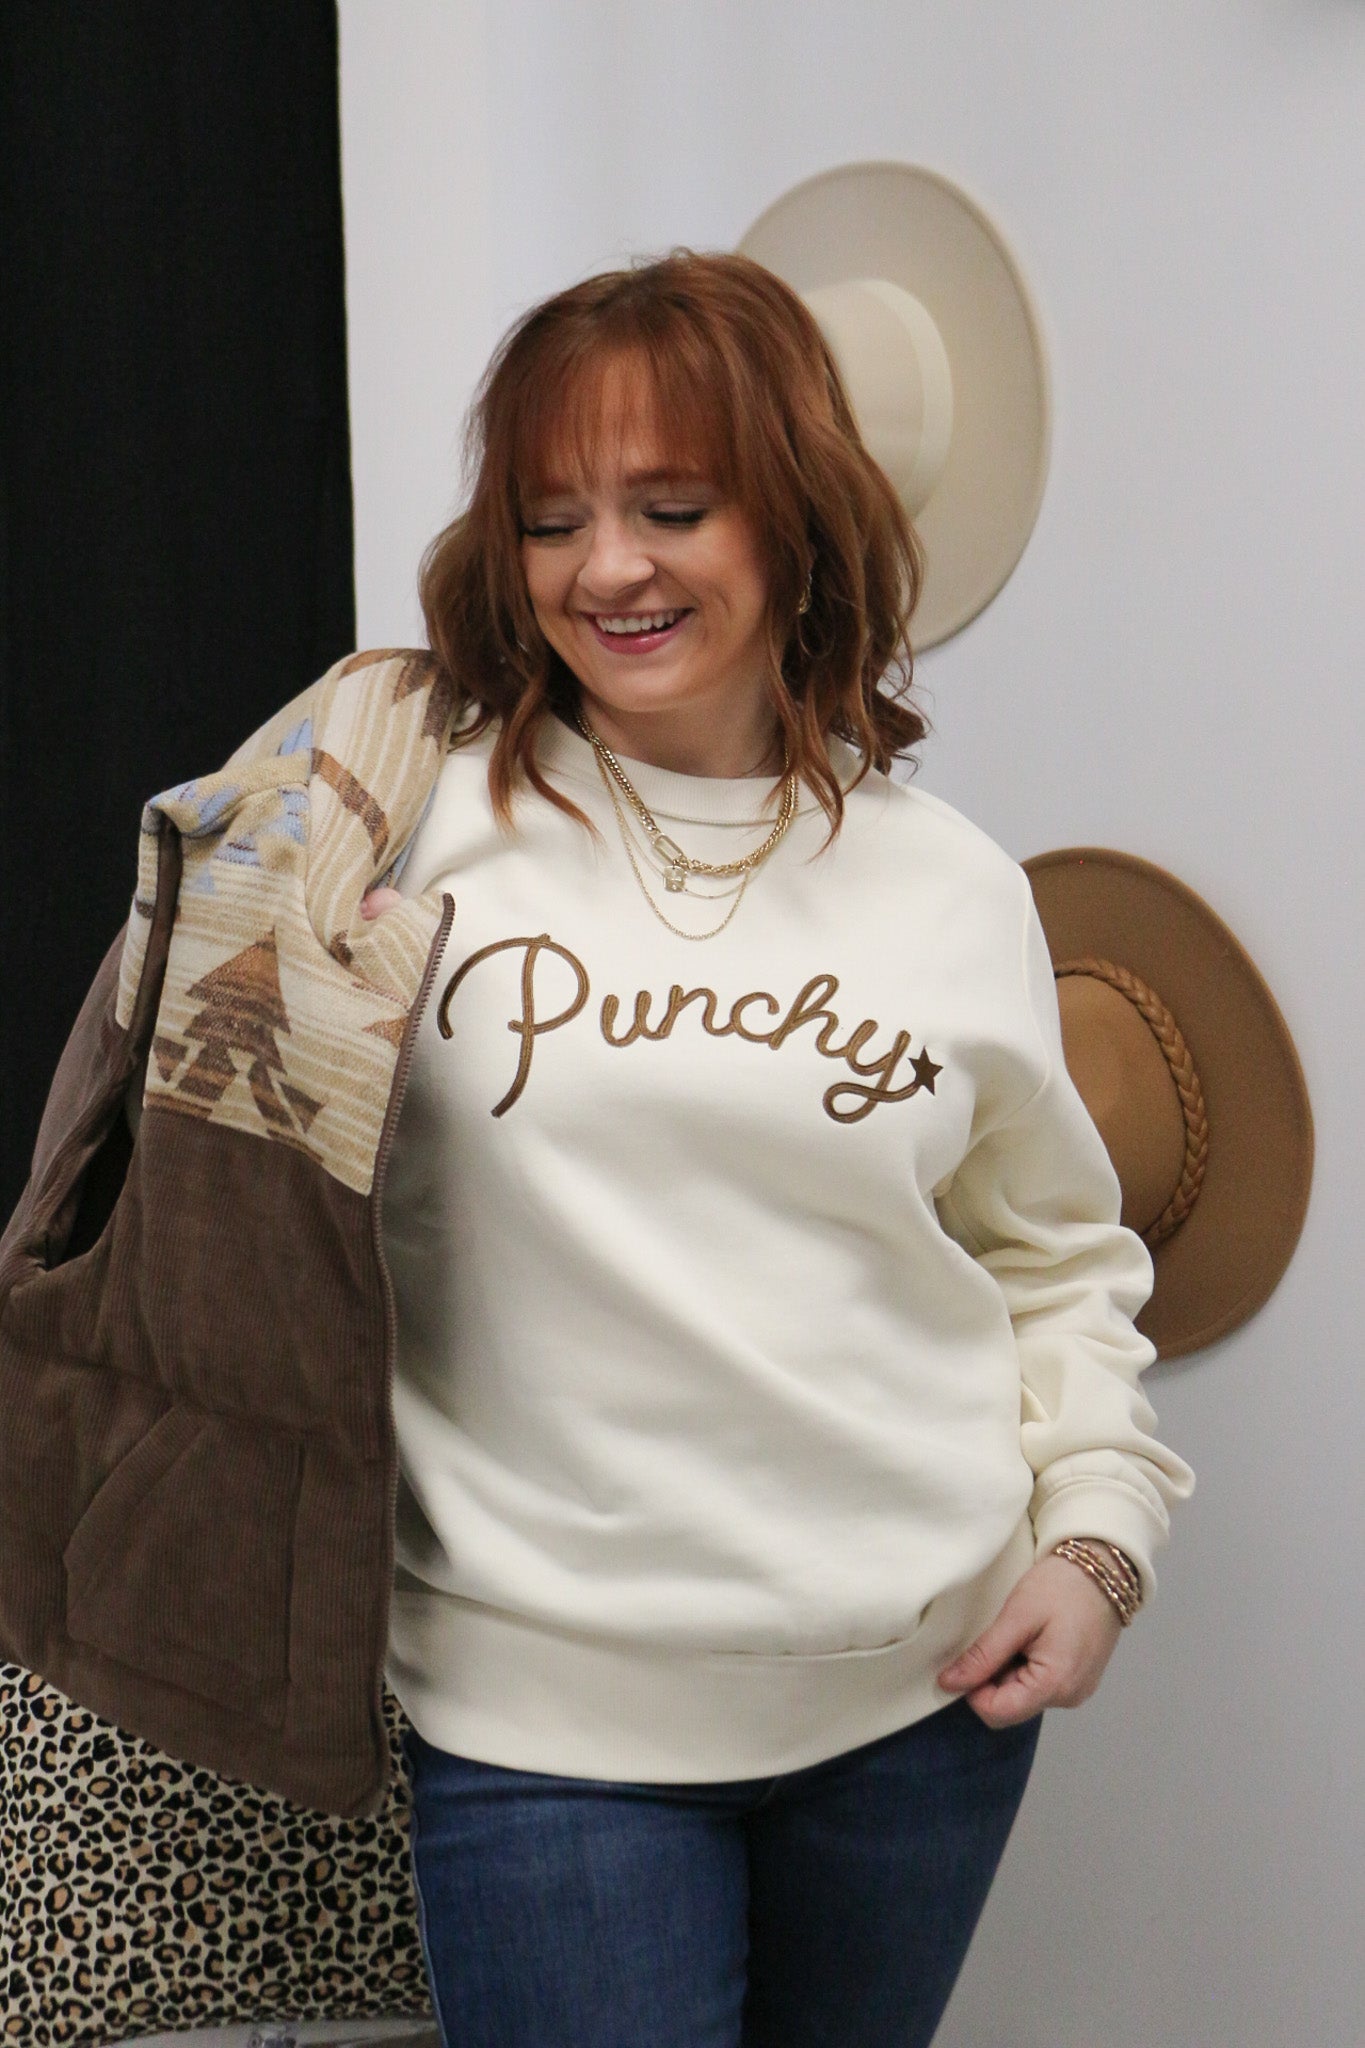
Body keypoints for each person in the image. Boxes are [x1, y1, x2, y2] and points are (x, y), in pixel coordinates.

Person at [355, 250, 1193, 2048]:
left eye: (671, 508)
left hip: (918, 1717)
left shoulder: (947, 884)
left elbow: (1050, 1253)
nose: (606, 568)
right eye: (552, 519)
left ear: (792, 522)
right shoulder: (414, 837)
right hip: (539, 1733)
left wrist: (1097, 1537)